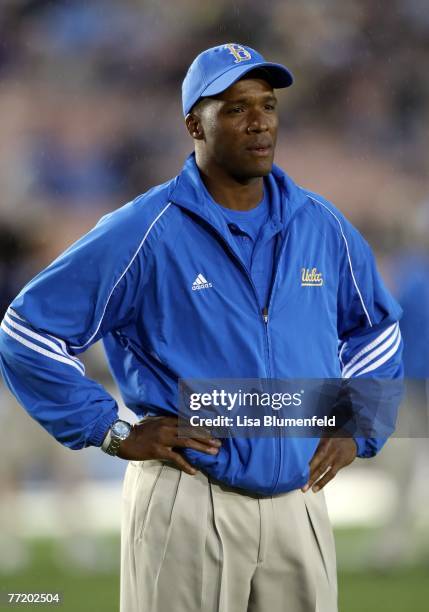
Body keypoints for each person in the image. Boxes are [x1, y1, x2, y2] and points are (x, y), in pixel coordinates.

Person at [0, 43, 403, 612]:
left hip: (300, 502)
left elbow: (376, 331)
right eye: (236, 108)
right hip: (188, 499)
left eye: (267, 104)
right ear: (194, 122)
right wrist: (113, 431)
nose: (260, 121)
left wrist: (359, 421)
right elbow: (25, 332)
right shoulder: (144, 228)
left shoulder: (323, 224)